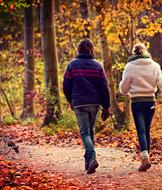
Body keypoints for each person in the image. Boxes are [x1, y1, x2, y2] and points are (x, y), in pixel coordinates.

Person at [119, 43, 162, 172]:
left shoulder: (129, 66)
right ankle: (147, 157)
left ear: (134, 53)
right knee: (146, 129)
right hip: (150, 102)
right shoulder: (154, 66)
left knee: (141, 130)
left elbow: (123, 88)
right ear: (145, 51)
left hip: (137, 102)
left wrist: (127, 93)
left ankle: (145, 158)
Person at [63, 38, 110, 174]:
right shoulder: (97, 65)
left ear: (78, 49)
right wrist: (106, 106)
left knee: (85, 133)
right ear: (91, 49)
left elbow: (66, 86)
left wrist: (70, 100)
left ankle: (92, 158)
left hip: (79, 102)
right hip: (94, 103)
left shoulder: (72, 65)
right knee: (90, 132)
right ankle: (88, 161)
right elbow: (104, 87)